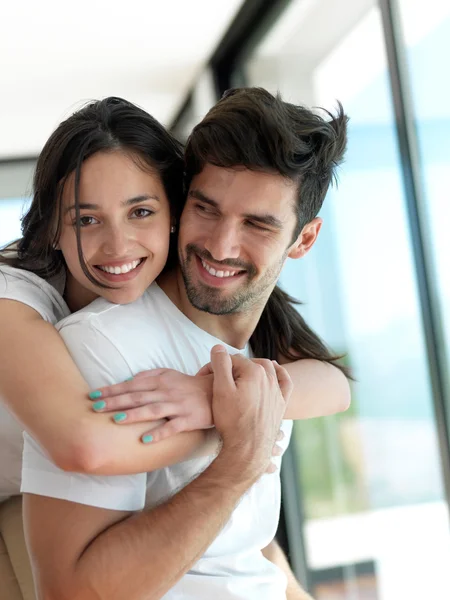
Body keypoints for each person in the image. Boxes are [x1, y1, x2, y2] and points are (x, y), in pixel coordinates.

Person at [13, 88, 349, 599]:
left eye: (257, 224)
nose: (221, 245)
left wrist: (214, 399)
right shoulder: (87, 339)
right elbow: (69, 588)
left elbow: (334, 384)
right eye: (207, 209)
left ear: (303, 240)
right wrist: (238, 441)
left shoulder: (260, 332)